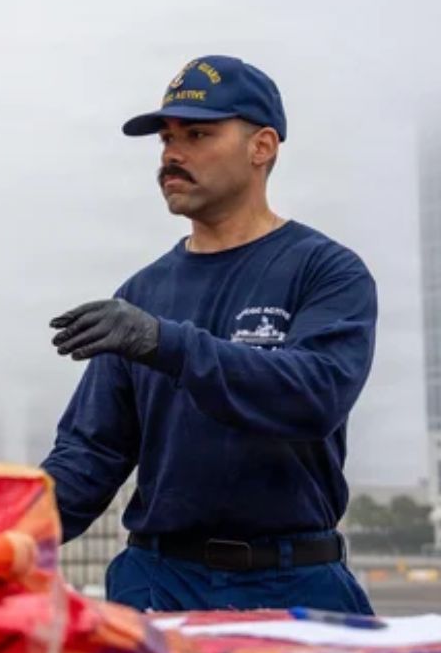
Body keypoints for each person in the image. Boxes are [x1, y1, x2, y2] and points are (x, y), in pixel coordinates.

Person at [42, 55, 378, 614]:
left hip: (295, 582)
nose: (173, 153)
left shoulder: (325, 272)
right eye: (167, 139)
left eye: (198, 134)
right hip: (158, 584)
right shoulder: (141, 294)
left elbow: (314, 395)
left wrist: (164, 344)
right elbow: (90, 455)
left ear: (262, 147)